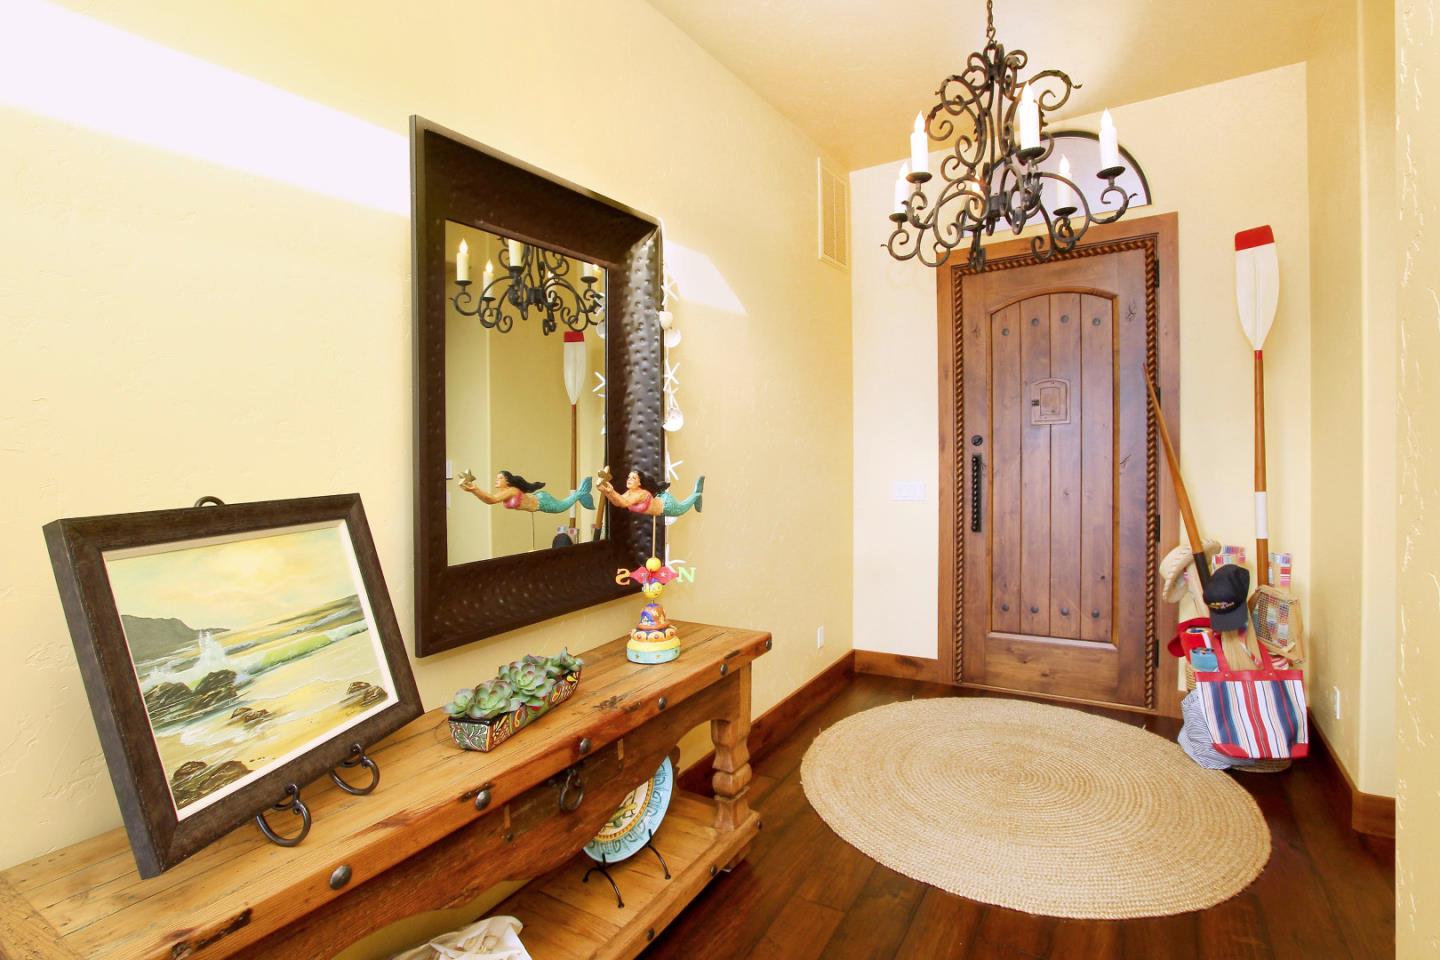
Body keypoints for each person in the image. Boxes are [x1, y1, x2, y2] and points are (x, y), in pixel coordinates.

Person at [460, 470, 594, 514]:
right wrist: (474, 491)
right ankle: (580, 493)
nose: (496, 480)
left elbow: (491, 500)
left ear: (507, 480)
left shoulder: (512, 491)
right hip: (538, 498)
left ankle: (580, 493)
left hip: (543, 502)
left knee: (562, 506)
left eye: (500, 478)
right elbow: (490, 499)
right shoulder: (505, 492)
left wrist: (475, 489)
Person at [596, 466, 703, 517]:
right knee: (683, 507)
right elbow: (618, 503)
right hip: (662, 498)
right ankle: (697, 495)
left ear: (639, 483)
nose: (629, 480)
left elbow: (624, 503)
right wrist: (605, 491)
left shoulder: (641, 494)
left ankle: (696, 495)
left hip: (667, 506)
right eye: (629, 477)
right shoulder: (630, 493)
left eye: (633, 478)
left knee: (682, 509)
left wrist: (611, 491)